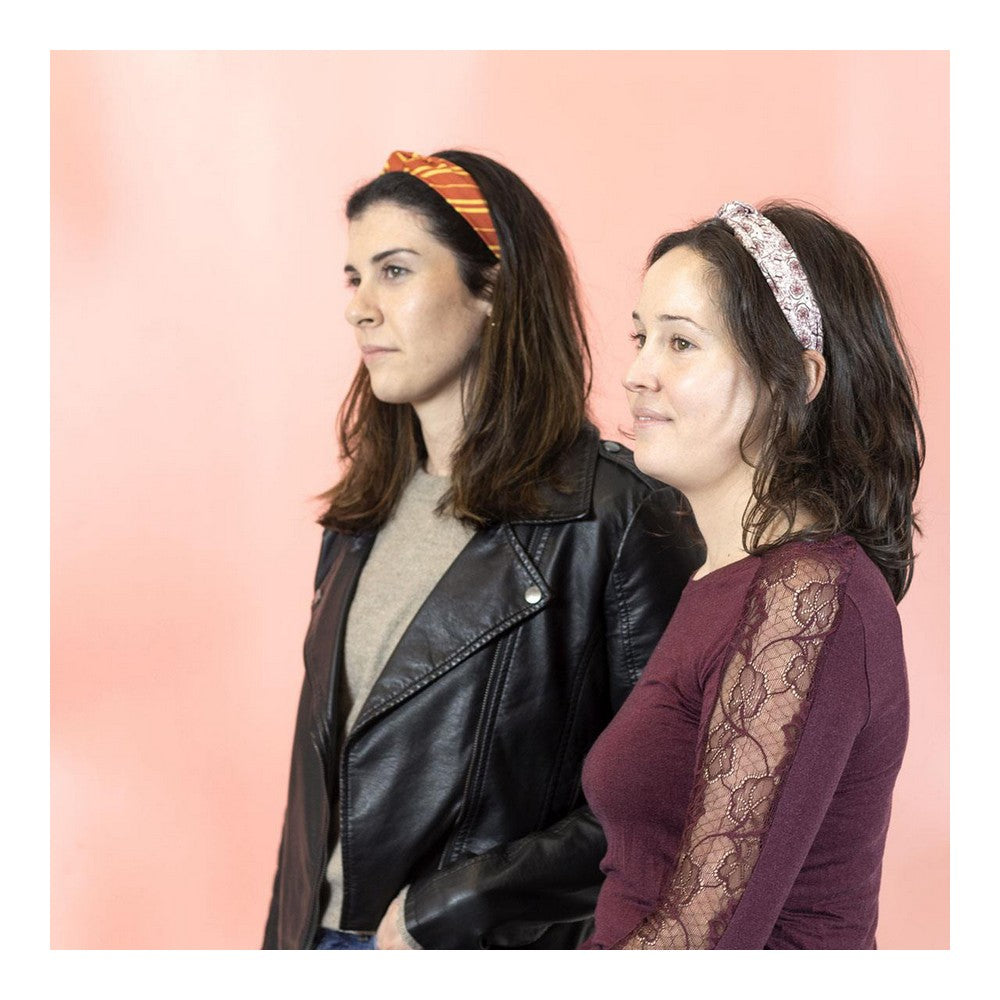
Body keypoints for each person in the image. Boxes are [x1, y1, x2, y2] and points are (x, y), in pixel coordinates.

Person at [262, 150, 702, 950]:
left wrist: (456, 905)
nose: (360, 308)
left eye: (395, 271)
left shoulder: (615, 517)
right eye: (354, 278)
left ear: (492, 287)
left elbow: (667, 796)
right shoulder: (359, 518)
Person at [581, 200, 924, 949]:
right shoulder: (724, 580)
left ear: (795, 377)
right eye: (641, 337)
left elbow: (704, 945)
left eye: (680, 342)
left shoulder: (808, 598)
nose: (637, 373)